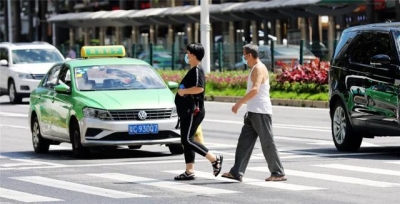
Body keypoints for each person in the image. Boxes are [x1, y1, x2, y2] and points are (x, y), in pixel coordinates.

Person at [221, 44, 286, 182]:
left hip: (260, 111)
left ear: (249, 55)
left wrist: (239, 103)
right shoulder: (254, 68)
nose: (243, 57)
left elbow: (255, 89)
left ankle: (278, 172)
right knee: (244, 142)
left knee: (267, 142)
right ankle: (236, 172)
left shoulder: (259, 68)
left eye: (244, 55)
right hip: (253, 112)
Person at [174, 43, 223, 180]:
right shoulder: (193, 69)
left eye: (188, 52)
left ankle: (214, 158)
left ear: (194, 55)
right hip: (187, 111)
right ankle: (189, 171)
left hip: (193, 111)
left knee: (187, 140)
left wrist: (183, 91)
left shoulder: (197, 70)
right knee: (186, 140)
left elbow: (199, 88)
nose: (186, 55)